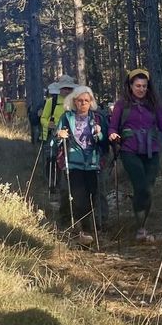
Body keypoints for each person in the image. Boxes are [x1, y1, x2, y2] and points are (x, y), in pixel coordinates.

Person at [108, 68, 162, 243]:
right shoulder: (122, 105)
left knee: (148, 190)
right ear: (130, 86)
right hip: (129, 151)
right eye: (138, 86)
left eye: (144, 86)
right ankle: (140, 228)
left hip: (152, 151)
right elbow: (113, 126)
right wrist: (112, 135)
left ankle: (141, 225)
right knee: (141, 186)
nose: (141, 89)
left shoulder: (155, 104)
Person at [54, 85, 107, 246]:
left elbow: (105, 142)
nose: (83, 103)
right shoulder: (66, 117)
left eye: (86, 100)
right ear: (74, 101)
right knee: (78, 197)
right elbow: (56, 139)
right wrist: (59, 135)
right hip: (74, 163)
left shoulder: (98, 118)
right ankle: (85, 231)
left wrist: (100, 133)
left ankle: (89, 228)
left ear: (91, 102)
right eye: (79, 100)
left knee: (92, 194)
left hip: (93, 163)